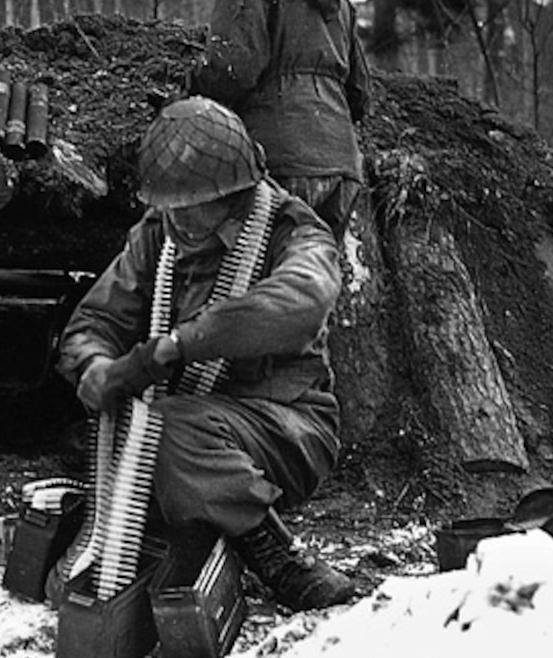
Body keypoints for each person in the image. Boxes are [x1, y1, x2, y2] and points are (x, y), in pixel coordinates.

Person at [56, 96, 353, 611]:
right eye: (172, 205)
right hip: (190, 423)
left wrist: (177, 346)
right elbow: (96, 321)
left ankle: (274, 552)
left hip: (284, 427)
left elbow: (300, 301)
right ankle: (197, 509)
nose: (180, 221)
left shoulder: (292, 229)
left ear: (237, 194)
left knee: (167, 430)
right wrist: (96, 367)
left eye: (194, 205)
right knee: (110, 437)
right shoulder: (159, 234)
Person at [186, 0, 372, 244]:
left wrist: (189, 89)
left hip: (280, 162)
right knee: (310, 287)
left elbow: (232, 70)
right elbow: (361, 94)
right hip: (341, 166)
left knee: (259, 286)